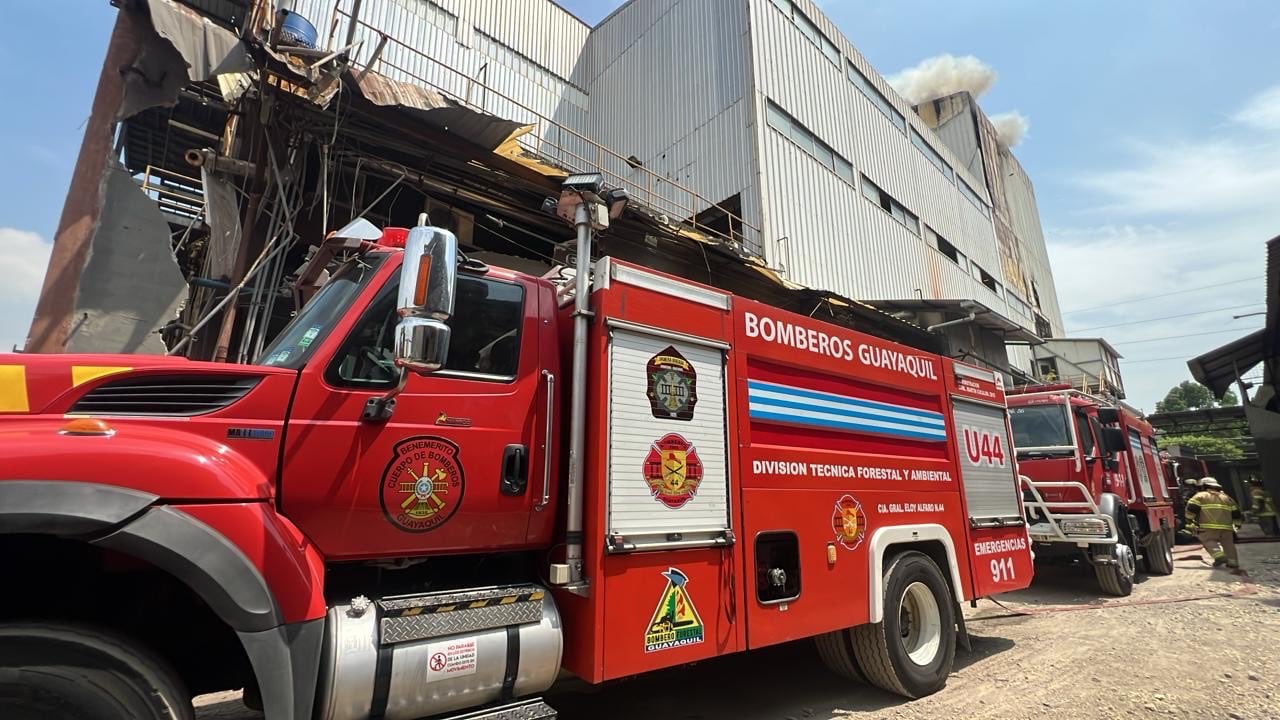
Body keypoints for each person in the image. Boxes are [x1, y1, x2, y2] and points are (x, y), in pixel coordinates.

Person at [1185, 477, 1243, 569]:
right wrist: (1237, 524)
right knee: (1229, 545)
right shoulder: (1227, 498)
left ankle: (1219, 556)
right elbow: (1236, 513)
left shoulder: (1200, 496)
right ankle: (1233, 563)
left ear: (1203, 486)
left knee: (1208, 541)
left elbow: (1191, 508)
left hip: (1207, 527)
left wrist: (1189, 520)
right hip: (1227, 528)